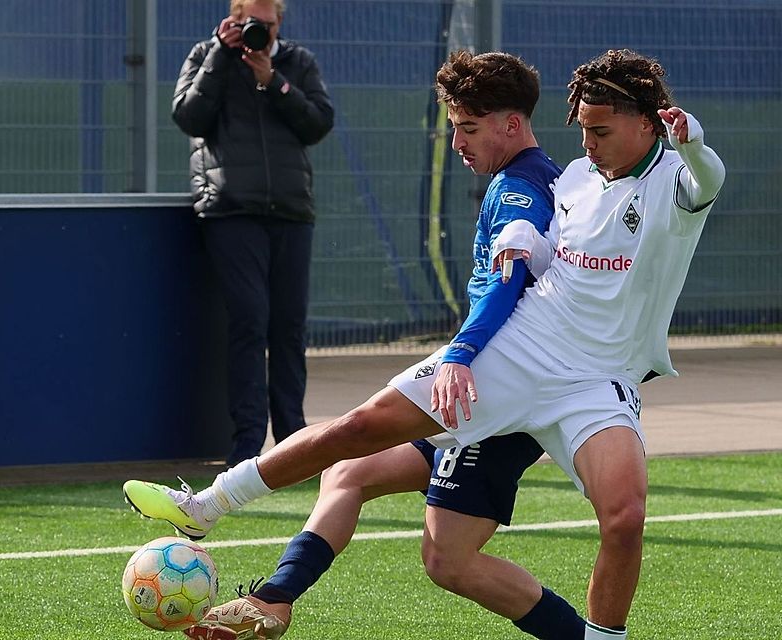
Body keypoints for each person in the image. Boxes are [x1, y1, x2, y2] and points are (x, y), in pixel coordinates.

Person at [128, 49, 725, 640]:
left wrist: (692, 140)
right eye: (584, 130)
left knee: (624, 518)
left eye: (601, 131)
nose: (588, 144)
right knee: (356, 439)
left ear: (648, 124)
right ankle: (210, 508)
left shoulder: (674, 178)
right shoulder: (573, 178)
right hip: (523, 350)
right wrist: (521, 246)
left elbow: (708, 179)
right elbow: (554, 258)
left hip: (596, 379)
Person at [172, 0, 334, 466]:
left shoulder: (297, 62)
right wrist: (223, 57)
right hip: (231, 209)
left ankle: (292, 443)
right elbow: (188, 117)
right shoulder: (208, 55)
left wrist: (273, 82)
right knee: (249, 321)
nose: (258, 33)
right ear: (234, 20)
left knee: (288, 328)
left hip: (290, 210)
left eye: (265, 25)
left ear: (279, 22)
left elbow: (318, 122)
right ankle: (247, 445)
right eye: (250, 25)